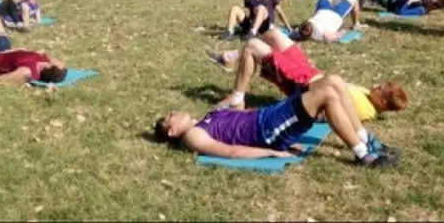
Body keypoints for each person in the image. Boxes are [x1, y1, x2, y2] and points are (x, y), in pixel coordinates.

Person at [154, 78, 399, 167]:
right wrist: (272, 152)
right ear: (172, 132)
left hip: (269, 116)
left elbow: (240, 114)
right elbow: (231, 151)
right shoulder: (193, 135)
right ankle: (363, 154)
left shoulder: (206, 118)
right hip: (268, 131)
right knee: (327, 95)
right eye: (168, 117)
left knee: (333, 81)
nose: (173, 112)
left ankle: (366, 139)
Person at [206, 33, 408, 121]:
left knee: (253, 46)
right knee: (273, 34)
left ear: (382, 101)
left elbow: (327, 110)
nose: (375, 84)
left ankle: (237, 99)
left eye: (380, 88)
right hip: (310, 72)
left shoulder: (364, 109)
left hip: (302, 83)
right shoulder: (368, 96)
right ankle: (230, 58)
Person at [219, 0, 291, 41]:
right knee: (235, 8)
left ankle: (253, 33)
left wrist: (288, 27)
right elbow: (248, 11)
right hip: (252, 23)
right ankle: (229, 32)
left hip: (265, 25)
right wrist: (253, 14)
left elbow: (280, 12)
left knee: (261, 8)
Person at [295, 0, 366, 43]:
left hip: (322, 10)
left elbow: (295, 33)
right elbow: (339, 34)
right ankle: (356, 24)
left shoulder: (302, 29)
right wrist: (342, 32)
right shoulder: (322, 34)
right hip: (336, 13)